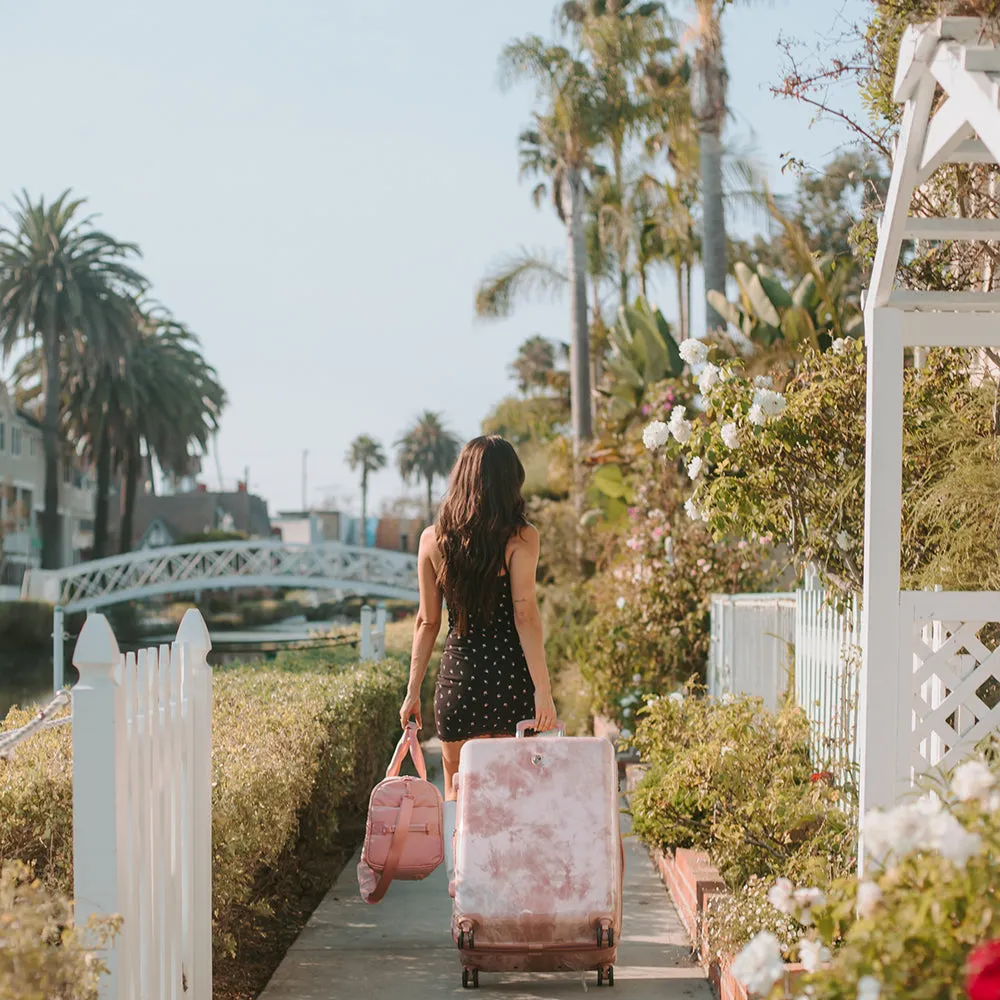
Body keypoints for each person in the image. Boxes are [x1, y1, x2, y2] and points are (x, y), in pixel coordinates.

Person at [398, 435, 557, 871]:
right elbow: (525, 616)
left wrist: (412, 692)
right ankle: (504, 895)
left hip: (459, 685)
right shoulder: (522, 539)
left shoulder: (433, 540)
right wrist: (543, 691)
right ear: (510, 484)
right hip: (509, 685)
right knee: (514, 797)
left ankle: (464, 893)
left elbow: (427, 623)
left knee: (457, 795)